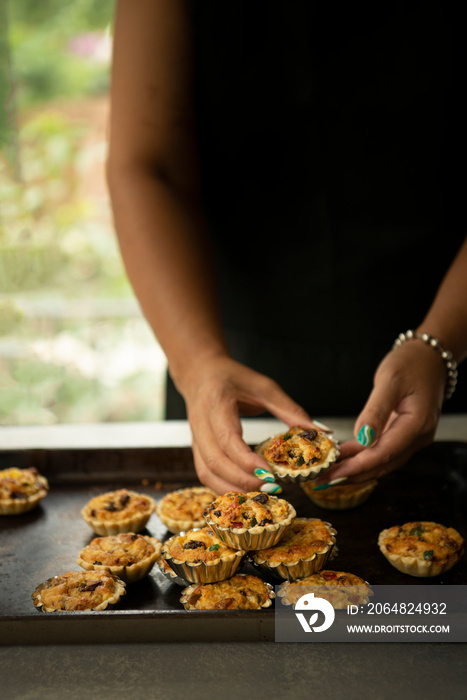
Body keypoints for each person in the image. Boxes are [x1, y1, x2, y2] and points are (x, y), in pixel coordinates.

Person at [106, 0, 466, 495]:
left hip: (450, 345)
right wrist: (198, 365)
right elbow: (147, 166)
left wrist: (440, 343)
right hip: (224, 347)